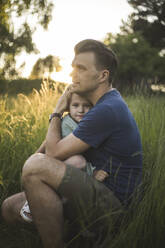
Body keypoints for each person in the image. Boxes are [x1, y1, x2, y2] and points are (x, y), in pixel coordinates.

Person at [1, 39, 142, 248]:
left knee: (35, 168)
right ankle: (70, 232)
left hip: (112, 206)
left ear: (102, 75)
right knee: (9, 207)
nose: (72, 75)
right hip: (89, 187)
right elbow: (49, 151)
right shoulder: (97, 106)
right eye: (73, 67)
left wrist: (57, 111)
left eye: (81, 68)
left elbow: (52, 154)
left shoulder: (107, 109)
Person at [20, 92, 108, 223]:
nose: (81, 110)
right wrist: (93, 172)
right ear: (68, 108)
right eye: (75, 105)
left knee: (78, 162)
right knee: (78, 161)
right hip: (52, 164)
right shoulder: (67, 123)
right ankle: (32, 203)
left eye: (86, 106)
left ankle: (58, 203)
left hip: (59, 166)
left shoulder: (84, 124)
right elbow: (50, 146)